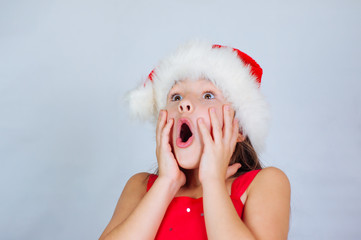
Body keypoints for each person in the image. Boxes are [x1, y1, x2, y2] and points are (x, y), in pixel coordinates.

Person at [99, 41, 291, 240]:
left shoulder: (265, 182)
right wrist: (167, 182)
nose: (184, 103)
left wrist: (212, 181)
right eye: (175, 97)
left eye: (208, 95)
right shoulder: (140, 186)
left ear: (239, 128)